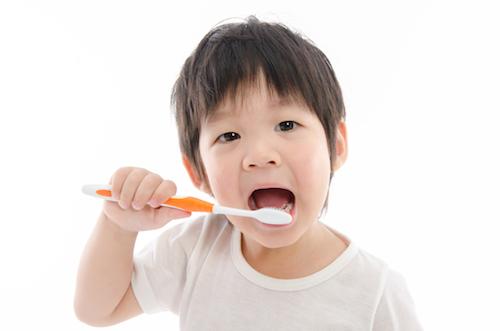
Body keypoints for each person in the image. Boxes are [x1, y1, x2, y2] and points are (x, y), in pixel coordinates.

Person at [74, 16, 423, 330]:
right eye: (229, 136)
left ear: (336, 146)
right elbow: (98, 311)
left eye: (287, 124)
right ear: (198, 172)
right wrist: (118, 227)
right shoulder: (194, 250)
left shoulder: (376, 293)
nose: (259, 156)